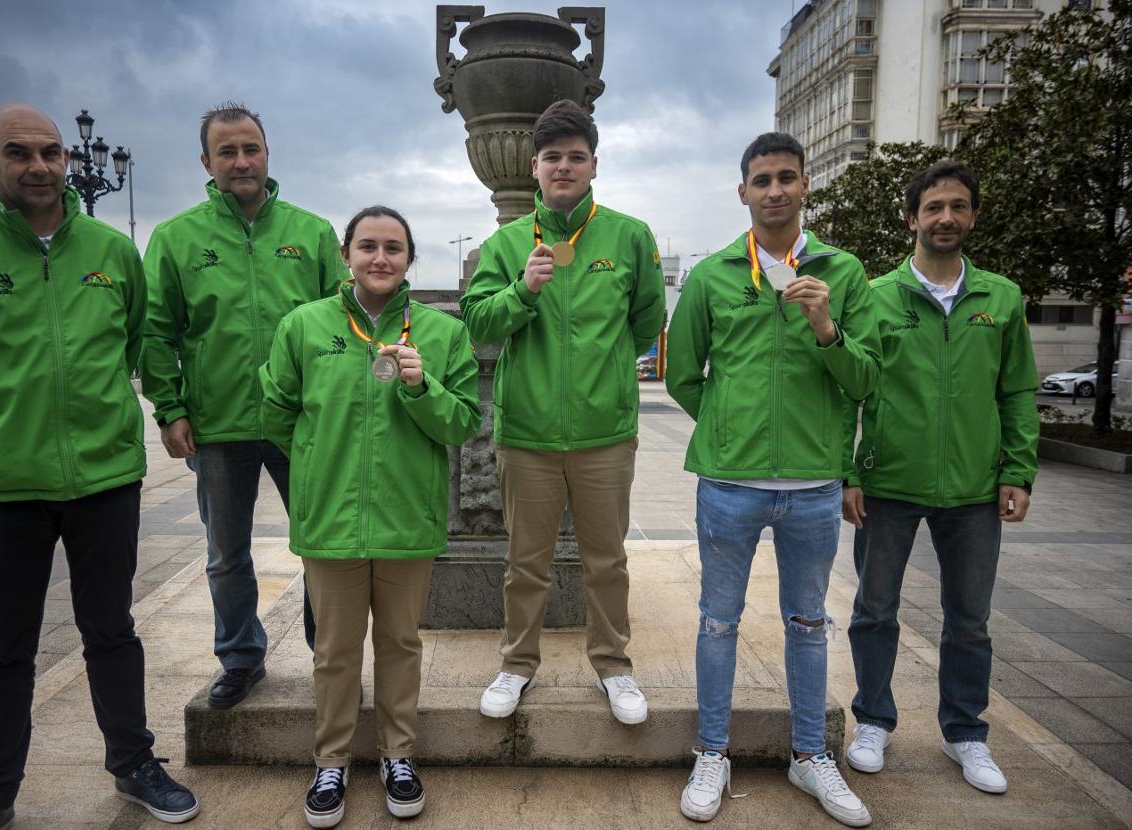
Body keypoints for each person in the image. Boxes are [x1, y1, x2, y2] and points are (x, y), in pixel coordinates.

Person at [0, 103, 198, 830]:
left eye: (51, 153)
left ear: (68, 159)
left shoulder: (111, 251)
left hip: (104, 480)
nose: (38, 167)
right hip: (1, 488)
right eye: (19, 153)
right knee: (5, 649)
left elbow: (132, 342)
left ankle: (133, 764)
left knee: (113, 632)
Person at [665, 132, 881, 827]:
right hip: (729, 484)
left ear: (806, 185)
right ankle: (712, 751)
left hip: (815, 487)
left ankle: (811, 755)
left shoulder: (843, 273)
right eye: (762, 179)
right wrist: (728, 429)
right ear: (744, 192)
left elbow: (866, 378)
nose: (776, 190)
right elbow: (682, 373)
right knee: (718, 621)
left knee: (809, 623)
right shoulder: (712, 276)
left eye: (787, 177)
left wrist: (825, 326)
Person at [259, 206, 481, 827]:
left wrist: (421, 387)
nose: (379, 258)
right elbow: (276, 412)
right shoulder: (305, 325)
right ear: (346, 256)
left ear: (410, 259)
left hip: (406, 518)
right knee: (333, 649)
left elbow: (462, 421)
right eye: (367, 246)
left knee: (401, 643)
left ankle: (397, 755)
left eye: (393, 248)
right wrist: (315, 465)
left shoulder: (440, 333)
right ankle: (331, 759)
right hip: (330, 521)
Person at [460, 99, 666, 725]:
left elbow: (646, 321)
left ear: (594, 164)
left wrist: (602, 378)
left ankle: (614, 666)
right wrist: (523, 291)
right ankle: (517, 663)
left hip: (605, 432)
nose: (564, 167)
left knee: (608, 559)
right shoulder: (506, 243)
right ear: (535, 166)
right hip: (527, 434)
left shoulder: (629, 237)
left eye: (576, 156)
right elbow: (477, 321)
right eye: (553, 157)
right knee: (526, 562)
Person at [141, 102, 346, 708]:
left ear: (267, 153)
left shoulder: (310, 233)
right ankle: (239, 657)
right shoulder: (176, 239)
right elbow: (156, 332)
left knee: (322, 546)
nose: (240, 161)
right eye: (226, 151)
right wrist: (170, 407)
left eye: (250, 148)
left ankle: (327, 656)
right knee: (225, 554)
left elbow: (341, 322)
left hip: (298, 423)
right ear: (206, 161)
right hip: (217, 424)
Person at [842, 160, 1038, 794]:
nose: (946, 217)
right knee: (874, 611)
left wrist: (1018, 470)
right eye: (934, 208)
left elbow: (1017, 393)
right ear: (912, 219)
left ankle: (965, 733)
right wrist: (848, 472)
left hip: (976, 490)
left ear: (973, 216)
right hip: (888, 484)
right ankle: (872, 720)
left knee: (970, 619)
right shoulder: (874, 297)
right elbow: (850, 392)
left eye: (957, 206)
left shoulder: (1001, 298)